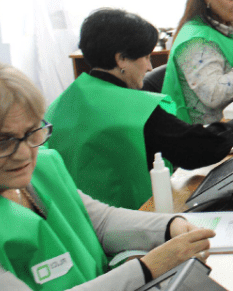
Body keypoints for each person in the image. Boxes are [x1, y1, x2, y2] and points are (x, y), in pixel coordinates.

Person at [0, 63, 216, 291]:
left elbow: (101, 222)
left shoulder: (44, 166)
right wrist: (147, 268)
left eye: (31, 132)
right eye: (4, 141)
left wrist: (170, 225)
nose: (24, 153)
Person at [45, 8, 233, 210]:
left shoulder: (60, 103)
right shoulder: (132, 108)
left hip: (71, 217)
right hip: (127, 218)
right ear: (121, 59)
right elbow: (197, 149)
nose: (150, 67)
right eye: (146, 57)